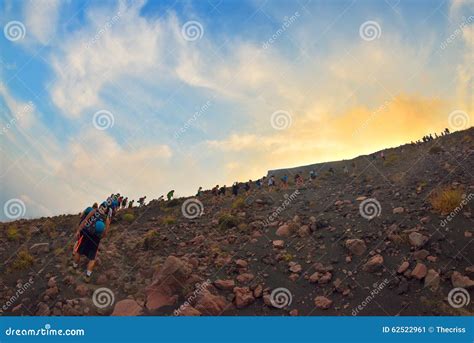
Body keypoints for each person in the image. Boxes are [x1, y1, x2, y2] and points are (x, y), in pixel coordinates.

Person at [73, 202, 112, 279]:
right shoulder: (107, 219)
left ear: (100, 206)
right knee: (92, 258)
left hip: (86, 233)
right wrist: (100, 237)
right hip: (96, 238)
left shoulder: (94, 211)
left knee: (79, 251)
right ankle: (87, 277)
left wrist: (78, 230)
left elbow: (85, 221)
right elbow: (106, 232)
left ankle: (74, 268)